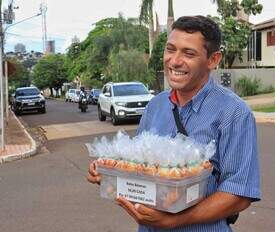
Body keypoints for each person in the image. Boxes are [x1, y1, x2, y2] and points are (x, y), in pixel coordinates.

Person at [88, 15, 260, 231]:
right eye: (170, 49)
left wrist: (175, 221)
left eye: (189, 53)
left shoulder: (234, 113)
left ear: (213, 60)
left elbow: (239, 194)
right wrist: (108, 171)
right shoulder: (155, 106)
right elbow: (141, 166)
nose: (175, 60)